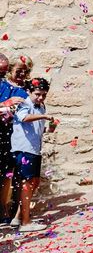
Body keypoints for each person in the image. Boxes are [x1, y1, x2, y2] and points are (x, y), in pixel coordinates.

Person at [10, 78, 56, 232]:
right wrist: (44, 117)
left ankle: (18, 217)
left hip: (34, 149)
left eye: (44, 95)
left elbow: (38, 129)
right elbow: (23, 118)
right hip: (24, 148)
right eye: (38, 94)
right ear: (29, 92)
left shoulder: (41, 106)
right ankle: (26, 223)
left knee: (33, 183)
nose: (41, 97)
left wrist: (50, 128)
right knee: (27, 183)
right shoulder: (24, 103)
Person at [0, 55, 31, 226]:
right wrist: (7, 103)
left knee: (16, 174)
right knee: (4, 174)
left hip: (20, 138)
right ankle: (3, 210)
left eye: (26, 71)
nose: (22, 74)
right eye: (18, 71)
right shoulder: (2, 86)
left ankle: (14, 212)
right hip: (3, 135)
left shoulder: (28, 88)